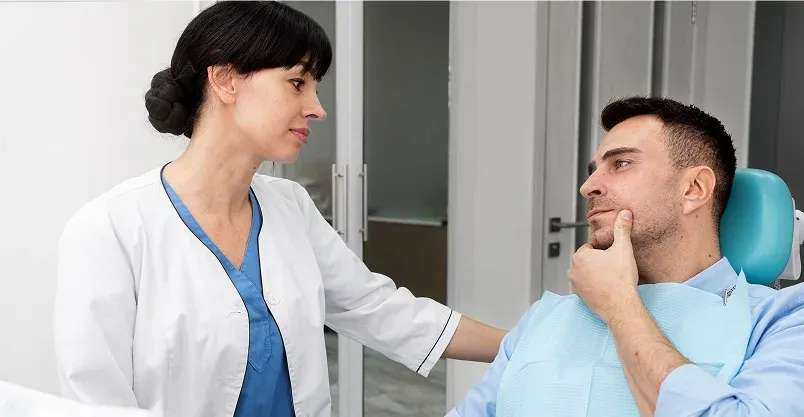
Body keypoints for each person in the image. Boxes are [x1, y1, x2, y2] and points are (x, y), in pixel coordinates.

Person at [52, 2, 506, 417]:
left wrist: (524, 343)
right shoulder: (110, 229)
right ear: (226, 78)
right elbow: (98, 403)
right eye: (297, 83)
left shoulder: (290, 207)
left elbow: (377, 308)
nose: (317, 109)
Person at [447, 96, 804, 417]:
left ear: (694, 189)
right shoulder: (544, 319)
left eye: (620, 164)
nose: (588, 187)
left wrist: (619, 306)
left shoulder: (782, 321)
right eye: (594, 171)